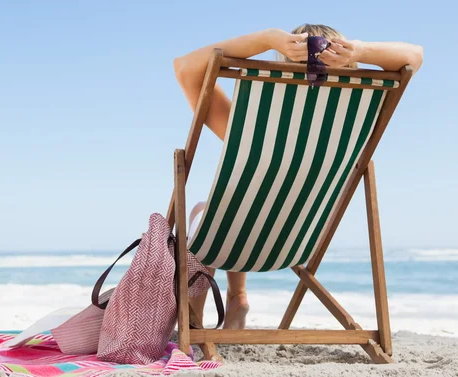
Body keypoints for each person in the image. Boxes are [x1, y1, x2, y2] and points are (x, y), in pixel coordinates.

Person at [174, 24, 423, 329]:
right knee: (233, 209)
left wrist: (265, 38)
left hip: (230, 239)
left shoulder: (251, 126)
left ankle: (199, 316)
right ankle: (237, 298)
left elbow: (185, 67)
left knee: (207, 211)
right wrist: (359, 50)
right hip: (297, 242)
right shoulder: (358, 123)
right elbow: (415, 56)